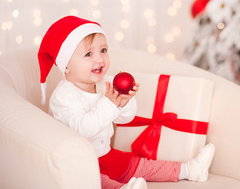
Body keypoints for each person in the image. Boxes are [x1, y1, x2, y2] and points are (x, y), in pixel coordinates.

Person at [38, 15, 215, 189]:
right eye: (88, 54)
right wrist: (110, 103)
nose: (99, 59)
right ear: (66, 65)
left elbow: (125, 119)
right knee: (94, 180)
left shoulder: (103, 84)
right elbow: (82, 129)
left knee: (140, 164)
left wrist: (124, 101)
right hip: (78, 161)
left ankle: (190, 170)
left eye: (103, 50)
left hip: (105, 155)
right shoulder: (64, 96)